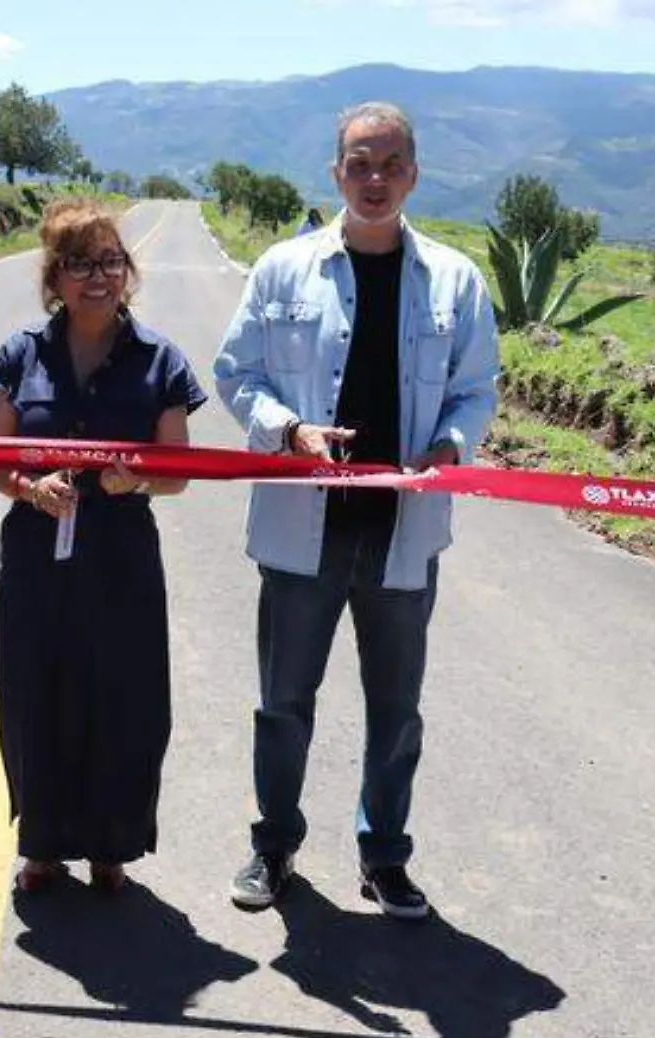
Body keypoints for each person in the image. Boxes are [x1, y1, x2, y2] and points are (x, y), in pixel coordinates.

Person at [212, 102, 500, 919]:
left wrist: (449, 443)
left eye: (391, 164)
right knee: (283, 707)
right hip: (302, 531)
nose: (375, 180)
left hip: (403, 535)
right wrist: (289, 428)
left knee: (396, 711)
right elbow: (238, 373)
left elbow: (478, 388)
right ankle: (275, 847)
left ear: (414, 172)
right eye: (360, 164)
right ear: (336, 172)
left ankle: (384, 856)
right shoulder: (282, 269)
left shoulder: (454, 279)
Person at [0, 198, 207, 894]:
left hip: (121, 556)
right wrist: (27, 487)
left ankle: (113, 844)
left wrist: (136, 482)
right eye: (79, 263)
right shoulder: (21, 354)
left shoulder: (161, 360)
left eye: (109, 260)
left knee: (124, 696)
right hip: (35, 556)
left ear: (128, 271)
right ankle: (42, 846)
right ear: (54, 277)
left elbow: (180, 475)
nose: (96, 276)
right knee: (32, 692)